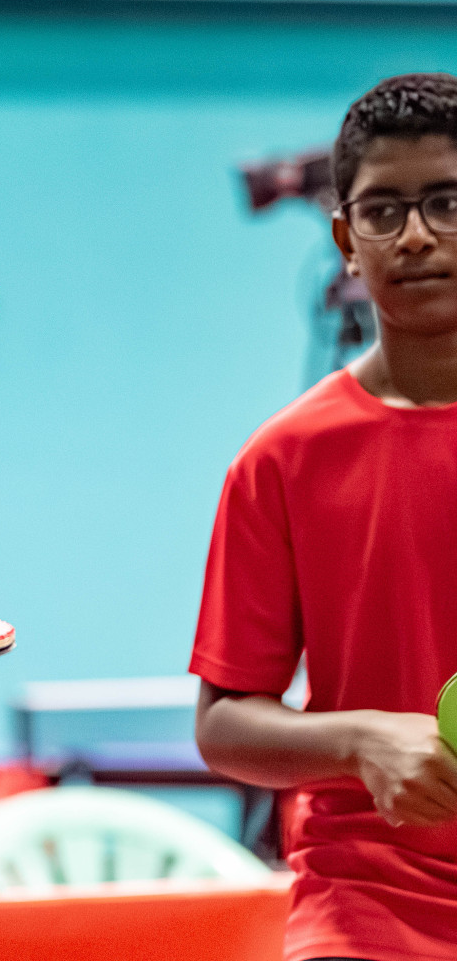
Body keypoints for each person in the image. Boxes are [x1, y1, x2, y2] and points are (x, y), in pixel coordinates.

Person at [192, 72, 457, 961]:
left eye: (447, 203)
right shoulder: (281, 460)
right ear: (346, 239)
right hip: (366, 910)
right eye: (384, 211)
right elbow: (225, 722)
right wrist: (360, 740)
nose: (417, 235)